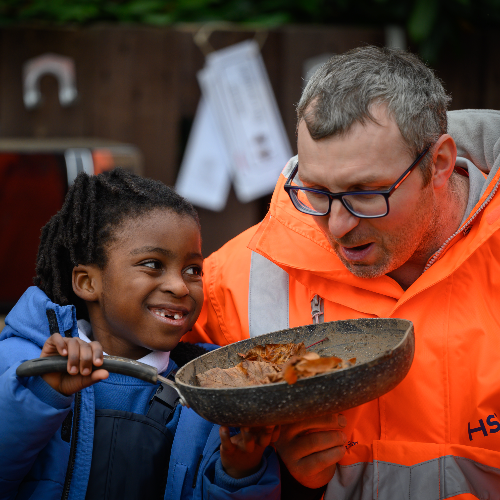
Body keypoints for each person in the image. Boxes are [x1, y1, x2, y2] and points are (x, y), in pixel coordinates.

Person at [183, 46, 500, 498]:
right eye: (315, 191)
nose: (337, 226)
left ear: (441, 163)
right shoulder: (240, 273)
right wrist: (277, 468)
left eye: (365, 192)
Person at [0, 168, 280, 500]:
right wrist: (42, 395)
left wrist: (240, 469)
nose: (179, 286)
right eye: (152, 264)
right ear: (88, 282)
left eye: (193, 269)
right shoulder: (26, 363)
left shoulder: (209, 391)